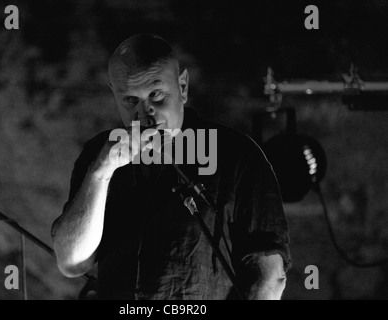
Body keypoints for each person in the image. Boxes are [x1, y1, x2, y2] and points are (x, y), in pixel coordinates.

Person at [51, 34, 291, 300]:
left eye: (156, 94)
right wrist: (100, 174)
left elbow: (269, 276)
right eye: (130, 100)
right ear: (114, 94)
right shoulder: (100, 154)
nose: (145, 114)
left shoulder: (238, 156)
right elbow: (72, 263)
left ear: (183, 86)